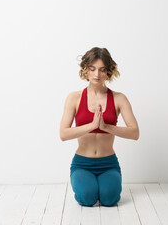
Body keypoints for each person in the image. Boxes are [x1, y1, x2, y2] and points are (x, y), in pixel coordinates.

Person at [59, 47, 140, 207]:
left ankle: (104, 185)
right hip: (82, 164)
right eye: (92, 69)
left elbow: (134, 133)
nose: (97, 75)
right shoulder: (74, 98)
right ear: (85, 70)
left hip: (108, 164)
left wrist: (105, 126)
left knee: (109, 199)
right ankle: (87, 184)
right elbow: (63, 134)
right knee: (88, 198)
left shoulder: (119, 99)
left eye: (102, 70)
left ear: (109, 72)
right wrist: (92, 125)